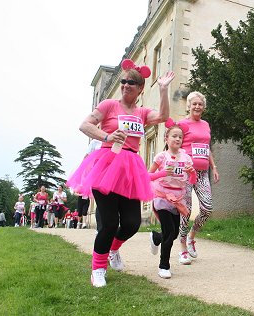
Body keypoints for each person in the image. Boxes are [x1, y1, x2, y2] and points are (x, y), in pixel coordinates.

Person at [66, 59, 175, 287]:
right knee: (107, 223)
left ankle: (114, 250)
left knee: (132, 223)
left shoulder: (143, 112)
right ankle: (98, 268)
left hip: (130, 170)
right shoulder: (108, 105)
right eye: (124, 81)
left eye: (131, 83)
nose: (126, 85)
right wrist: (106, 136)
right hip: (106, 165)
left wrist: (164, 90)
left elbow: (164, 117)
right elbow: (84, 125)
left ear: (140, 89)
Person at [148, 119, 196, 278]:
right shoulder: (161, 157)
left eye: (180, 137)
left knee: (174, 234)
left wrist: (192, 172)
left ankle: (156, 237)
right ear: (166, 138)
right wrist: (163, 173)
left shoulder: (186, 158)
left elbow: (192, 181)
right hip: (162, 198)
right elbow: (147, 176)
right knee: (169, 232)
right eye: (174, 136)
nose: (177, 139)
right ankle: (164, 266)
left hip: (178, 199)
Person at [178, 91, 219, 264]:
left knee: (207, 207)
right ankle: (182, 249)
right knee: (185, 209)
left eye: (200, 104)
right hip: (186, 172)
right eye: (194, 104)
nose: (197, 107)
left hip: (202, 173)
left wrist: (214, 166)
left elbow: (206, 146)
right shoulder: (182, 124)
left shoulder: (206, 125)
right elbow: (174, 144)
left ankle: (191, 236)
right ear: (188, 105)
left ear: (204, 107)